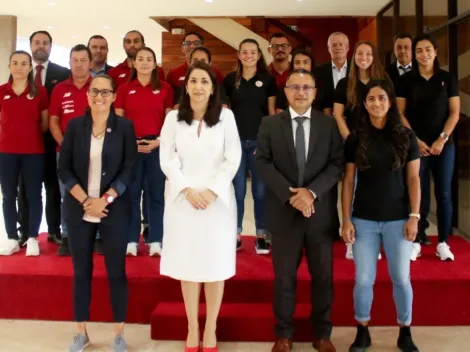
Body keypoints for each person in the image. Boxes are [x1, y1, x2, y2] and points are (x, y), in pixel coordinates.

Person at [256, 69, 344, 352]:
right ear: (286, 91)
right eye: (295, 87)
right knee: (284, 277)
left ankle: (322, 334)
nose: (301, 92)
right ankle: (283, 334)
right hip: (284, 214)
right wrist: (291, 195)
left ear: (315, 92)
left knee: (322, 277)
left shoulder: (328, 124)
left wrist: (311, 193)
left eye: (307, 87)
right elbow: (263, 163)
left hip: (319, 214)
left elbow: (336, 165)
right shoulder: (270, 124)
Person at [159, 61, 241, 352]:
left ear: (213, 87)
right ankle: (192, 327)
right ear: (186, 85)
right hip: (183, 202)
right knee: (189, 264)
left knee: (214, 265)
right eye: (193, 81)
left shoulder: (226, 118)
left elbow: (233, 158)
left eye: (204, 81)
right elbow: (167, 159)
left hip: (217, 203)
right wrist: (188, 190)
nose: (198, 87)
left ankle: (211, 328)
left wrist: (211, 192)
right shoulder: (172, 119)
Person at [58, 75, 137, 352]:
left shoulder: (125, 127)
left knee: (116, 271)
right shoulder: (75, 126)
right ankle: (81, 332)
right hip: (78, 208)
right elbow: (63, 168)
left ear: (114, 96)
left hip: (113, 209)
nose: (99, 96)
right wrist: (85, 199)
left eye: (105, 92)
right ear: (87, 95)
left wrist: (105, 198)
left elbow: (129, 168)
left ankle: (119, 334)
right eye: (95, 91)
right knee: (81, 272)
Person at [341, 80, 421, 352]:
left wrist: (414, 216)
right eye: (371, 99)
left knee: (401, 277)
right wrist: (346, 219)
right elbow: (348, 181)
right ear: (364, 104)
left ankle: (405, 330)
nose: (376, 103)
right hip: (364, 220)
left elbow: (413, 179)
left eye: (382, 98)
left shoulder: (406, 136)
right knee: (364, 279)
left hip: (399, 219)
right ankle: (362, 331)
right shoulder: (355, 137)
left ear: (390, 102)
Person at [396, 34, 460, 262]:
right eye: (419, 51)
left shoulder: (447, 78)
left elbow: (454, 112)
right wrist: (415, 140)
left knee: (443, 193)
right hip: (416, 146)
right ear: (414, 55)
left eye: (427, 50)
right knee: (417, 193)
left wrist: (442, 138)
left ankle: (443, 242)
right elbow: (400, 113)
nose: (423, 54)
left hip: (444, 146)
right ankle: (416, 240)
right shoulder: (405, 81)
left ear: (435, 52)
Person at [333, 40, 390, 260]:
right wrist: (349, 138)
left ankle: (376, 240)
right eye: (359, 53)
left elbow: (390, 112)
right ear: (353, 56)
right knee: (353, 189)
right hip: (354, 143)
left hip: (379, 144)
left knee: (375, 192)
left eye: (368, 53)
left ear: (373, 56)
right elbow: (338, 114)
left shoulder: (383, 82)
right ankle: (352, 240)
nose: (363, 57)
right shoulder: (345, 84)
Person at [115, 47, 173, 256]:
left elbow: (170, 122)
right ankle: (131, 240)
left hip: (156, 146)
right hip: (132, 147)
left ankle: (156, 240)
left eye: (149, 59)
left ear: (155, 64)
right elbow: (119, 120)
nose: (145, 63)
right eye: (141, 59)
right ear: (134, 63)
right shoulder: (124, 89)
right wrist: (130, 143)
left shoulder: (165, 88)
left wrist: (159, 141)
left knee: (155, 195)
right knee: (131, 195)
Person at [223, 38, 277, 254]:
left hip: (259, 144)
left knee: (260, 192)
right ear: (239, 55)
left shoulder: (267, 80)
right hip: (235, 143)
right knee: (237, 191)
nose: (248, 55)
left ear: (259, 55)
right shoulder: (229, 80)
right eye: (244, 52)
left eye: (253, 52)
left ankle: (262, 235)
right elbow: (224, 115)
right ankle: (235, 234)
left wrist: (266, 143)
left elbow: (272, 115)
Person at [17, 30, 70, 247]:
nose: (41, 46)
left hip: (52, 143)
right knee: (26, 190)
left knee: (54, 188)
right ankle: (25, 232)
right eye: (37, 42)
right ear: (30, 46)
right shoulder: (20, 74)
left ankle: (54, 230)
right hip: (25, 145)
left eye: (45, 43)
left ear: (51, 46)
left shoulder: (62, 73)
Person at [0, 51, 48, 256]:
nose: (19, 67)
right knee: (8, 195)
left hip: (33, 151)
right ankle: (12, 237)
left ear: (30, 67)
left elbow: (45, 123)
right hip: (6, 152)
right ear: (9, 66)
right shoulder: (1, 91)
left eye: (23, 63)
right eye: (15, 63)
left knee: (34, 195)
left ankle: (32, 238)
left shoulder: (41, 92)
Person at [49, 44, 94, 256]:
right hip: (65, 153)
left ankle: (96, 236)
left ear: (90, 63)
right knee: (68, 195)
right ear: (69, 63)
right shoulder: (59, 89)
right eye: (74, 60)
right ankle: (67, 237)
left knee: (94, 192)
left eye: (83, 60)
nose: (78, 64)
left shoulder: (98, 86)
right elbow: (53, 121)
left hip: (94, 152)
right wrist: (66, 147)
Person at [275, 48, 325, 114]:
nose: (301, 66)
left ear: (311, 65)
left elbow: (326, 113)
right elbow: (279, 112)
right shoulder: (285, 87)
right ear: (292, 65)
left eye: (305, 62)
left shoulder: (321, 86)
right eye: (297, 62)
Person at [314, 32, 350, 116]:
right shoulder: (318, 71)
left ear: (347, 47)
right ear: (328, 48)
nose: (338, 47)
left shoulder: (356, 70)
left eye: (341, 44)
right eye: (334, 45)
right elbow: (316, 98)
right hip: (325, 119)